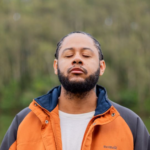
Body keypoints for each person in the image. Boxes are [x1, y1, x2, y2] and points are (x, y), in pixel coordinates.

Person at [0, 31, 149, 150]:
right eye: (68, 55)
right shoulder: (24, 121)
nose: (77, 59)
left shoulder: (131, 124)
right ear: (55, 66)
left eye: (86, 55)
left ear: (101, 67)